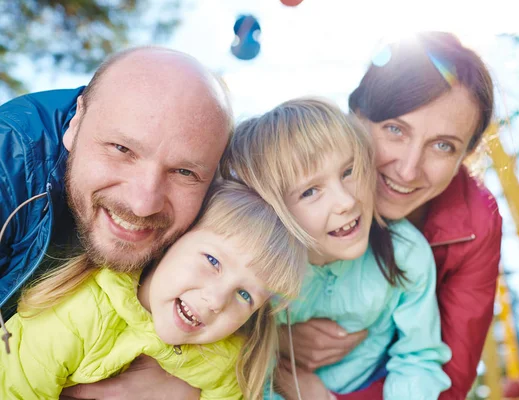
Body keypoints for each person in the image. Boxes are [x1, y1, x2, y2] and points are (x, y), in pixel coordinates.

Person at [0, 46, 232, 399]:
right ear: (76, 123)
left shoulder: (213, 205)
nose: (142, 204)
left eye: (184, 171)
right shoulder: (9, 162)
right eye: (122, 149)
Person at [281, 32, 503, 400]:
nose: (408, 169)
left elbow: (446, 371)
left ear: (465, 156)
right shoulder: (288, 174)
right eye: (395, 130)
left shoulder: (476, 224)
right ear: (356, 117)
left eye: (443, 146)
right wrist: (274, 339)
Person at [222, 98, 452, 399]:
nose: (345, 201)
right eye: (310, 191)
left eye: (348, 171)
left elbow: (418, 358)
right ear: (272, 211)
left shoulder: (405, 253)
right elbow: (240, 352)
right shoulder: (258, 271)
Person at [0, 181, 307, 400]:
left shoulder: (223, 361)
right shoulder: (79, 312)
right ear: (170, 241)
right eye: (213, 261)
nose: (215, 301)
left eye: (245, 295)